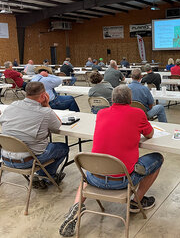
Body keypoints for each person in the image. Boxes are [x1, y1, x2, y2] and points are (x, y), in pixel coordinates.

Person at [59, 85, 163, 237]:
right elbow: (150, 134)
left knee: (88, 172)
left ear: (112, 99)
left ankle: (76, 206)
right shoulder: (138, 113)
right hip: (123, 181)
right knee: (157, 158)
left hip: (95, 178)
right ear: (130, 100)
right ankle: (136, 201)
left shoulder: (101, 113)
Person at [0, 82, 69, 189]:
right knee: (63, 147)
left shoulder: (12, 105)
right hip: (28, 161)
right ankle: (46, 176)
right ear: (43, 95)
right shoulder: (45, 112)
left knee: (40, 144)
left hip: (5, 157)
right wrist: (47, 106)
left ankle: (42, 175)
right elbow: (57, 126)